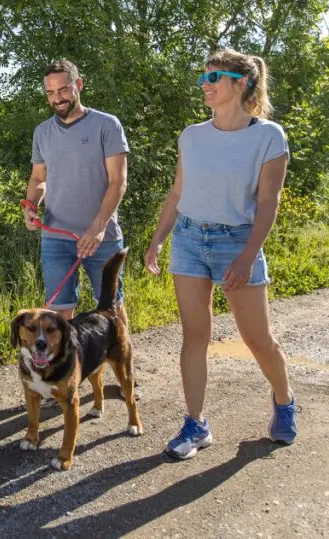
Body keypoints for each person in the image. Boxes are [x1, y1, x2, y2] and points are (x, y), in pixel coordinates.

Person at [144, 48, 297, 460]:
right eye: (203, 78)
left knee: (257, 338)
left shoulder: (268, 136)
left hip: (238, 241)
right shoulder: (191, 136)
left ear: (241, 82)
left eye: (214, 78)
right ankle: (196, 424)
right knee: (195, 336)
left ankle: (284, 401)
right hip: (190, 239)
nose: (205, 85)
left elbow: (268, 203)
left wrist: (247, 256)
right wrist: (158, 239)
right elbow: (178, 191)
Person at [23, 59, 130, 322]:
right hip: (56, 239)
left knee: (111, 310)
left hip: (102, 238)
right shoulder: (42, 132)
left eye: (63, 90)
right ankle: (69, 353)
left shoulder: (107, 125)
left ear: (78, 85)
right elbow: (38, 178)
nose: (57, 98)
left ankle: (123, 351)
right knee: (57, 315)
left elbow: (118, 181)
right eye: (50, 92)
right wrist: (31, 207)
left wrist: (97, 228)